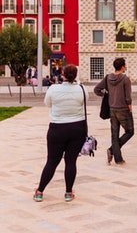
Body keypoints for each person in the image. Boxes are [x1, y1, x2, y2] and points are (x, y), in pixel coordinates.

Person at [33, 64, 87, 202]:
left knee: (52, 161)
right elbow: (85, 102)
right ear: (75, 75)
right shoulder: (81, 89)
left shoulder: (53, 88)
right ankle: (68, 193)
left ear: (62, 74)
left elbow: (47, 104)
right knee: (71, 162)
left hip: (57, 128)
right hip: (77, 128)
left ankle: (39, 191)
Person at [94, 58, 134, 165]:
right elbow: (127, 96)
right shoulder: (125, 79)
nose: (125, 67)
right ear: (122, 67)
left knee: (114, 134)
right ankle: (112, 150)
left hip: (112, 109)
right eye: (125, 65)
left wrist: (106, 95)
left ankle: (118, 158)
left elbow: (96, 89)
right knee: (130, 131)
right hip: (123, 109)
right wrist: (129, 106)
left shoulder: (108, 77)